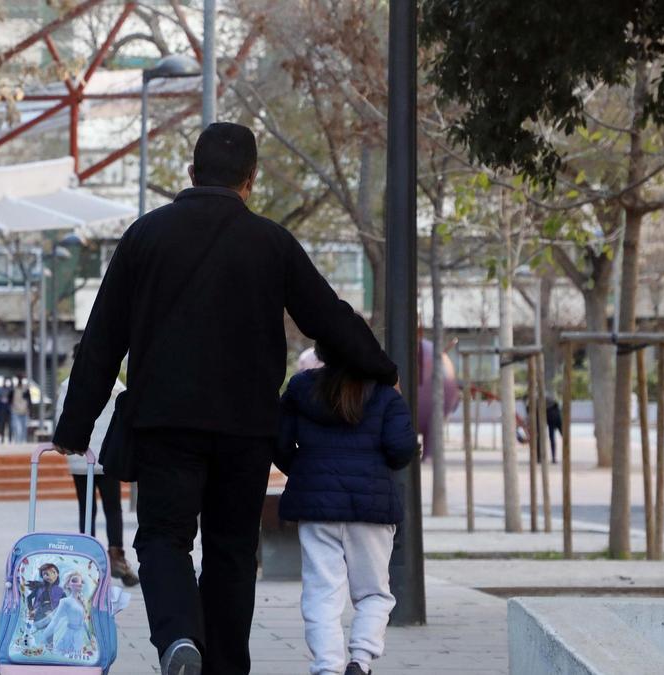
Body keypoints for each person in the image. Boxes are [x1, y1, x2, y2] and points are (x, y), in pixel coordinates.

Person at [53, 122, 396, 675]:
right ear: (251, 180)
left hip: (164, 422)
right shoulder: (272, 243)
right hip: (246, 427)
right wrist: (382, 369)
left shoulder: (145, 237)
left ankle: (179, 640)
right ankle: (228, 666)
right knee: (232, 549)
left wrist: (73, 428)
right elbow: (326, 317)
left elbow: (101, 343)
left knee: (163, 538)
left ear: (191, 174)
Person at [275, 344, 417, 675]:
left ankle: (327, 667)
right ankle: (361, 661)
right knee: (374, 594)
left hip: (317, 509)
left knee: (321, 593)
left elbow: (278, 441)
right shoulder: (384, 393)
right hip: (371, 508)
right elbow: (400, 450)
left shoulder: (300, 388)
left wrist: (308, 472)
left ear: (322, 351)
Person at [57, 342, 139, 586]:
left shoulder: (67, 386)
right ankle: (117, 557)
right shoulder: (117, 387)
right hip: (107, 457)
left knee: (86, 507)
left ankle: (85, 558)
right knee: (113, 508)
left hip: (79, 458)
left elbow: (61, 423)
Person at [10, 373, 32, 443]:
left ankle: (22, 441)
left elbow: (29, 400)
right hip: (15, 410)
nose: (20, 381)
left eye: (21, 379)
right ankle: (17, 441)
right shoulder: (13, 389)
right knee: (16, 427)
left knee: (24, 427)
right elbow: (10, 399)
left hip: (24, 411)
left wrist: (30, 410)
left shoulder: (25, 389)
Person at [0, 376, 14, 444]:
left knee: (10, 425)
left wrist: (11, 381)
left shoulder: (10, 390)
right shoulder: (0, 390)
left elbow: (13, 390)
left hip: (9, 410)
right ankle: (2, 438)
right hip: (2, 410)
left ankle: (10, 438)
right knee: (2, 425)